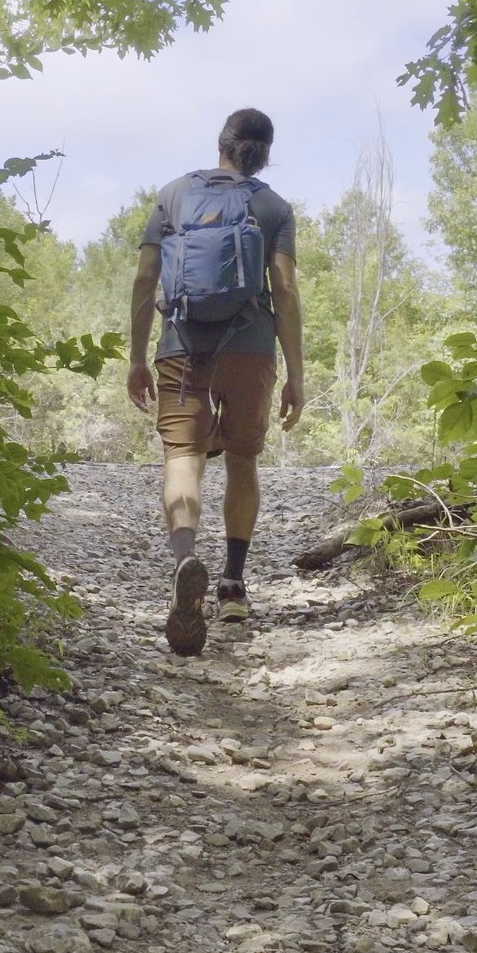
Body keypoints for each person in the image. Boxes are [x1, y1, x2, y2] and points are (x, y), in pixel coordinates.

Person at [126, 108, 305, 657]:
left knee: (184, 457)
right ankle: (231, 585)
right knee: (244, 461)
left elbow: (145, 278)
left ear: (222, 144)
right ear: (265, 152)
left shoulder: (175, 194)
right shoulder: (273, 206)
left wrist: (136, 357)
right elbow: (286, 290)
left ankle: (184, 558)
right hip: (250, 349)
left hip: (183, 344)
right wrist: (296, 373)